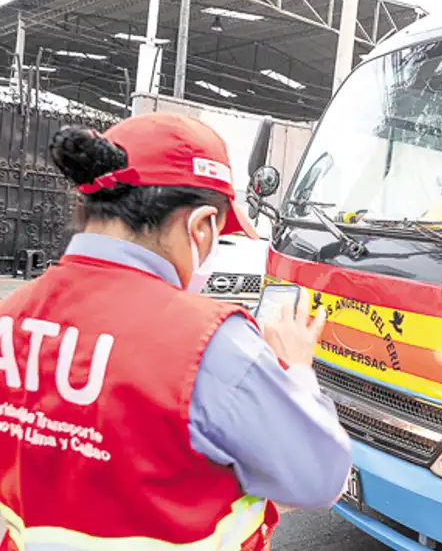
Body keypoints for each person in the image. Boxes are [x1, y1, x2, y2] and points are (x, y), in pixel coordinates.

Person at [0, 113, 352, 550]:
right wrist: (297, 370)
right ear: (200, 226)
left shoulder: (12, 314)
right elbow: (319, 479)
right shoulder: (211, 343)